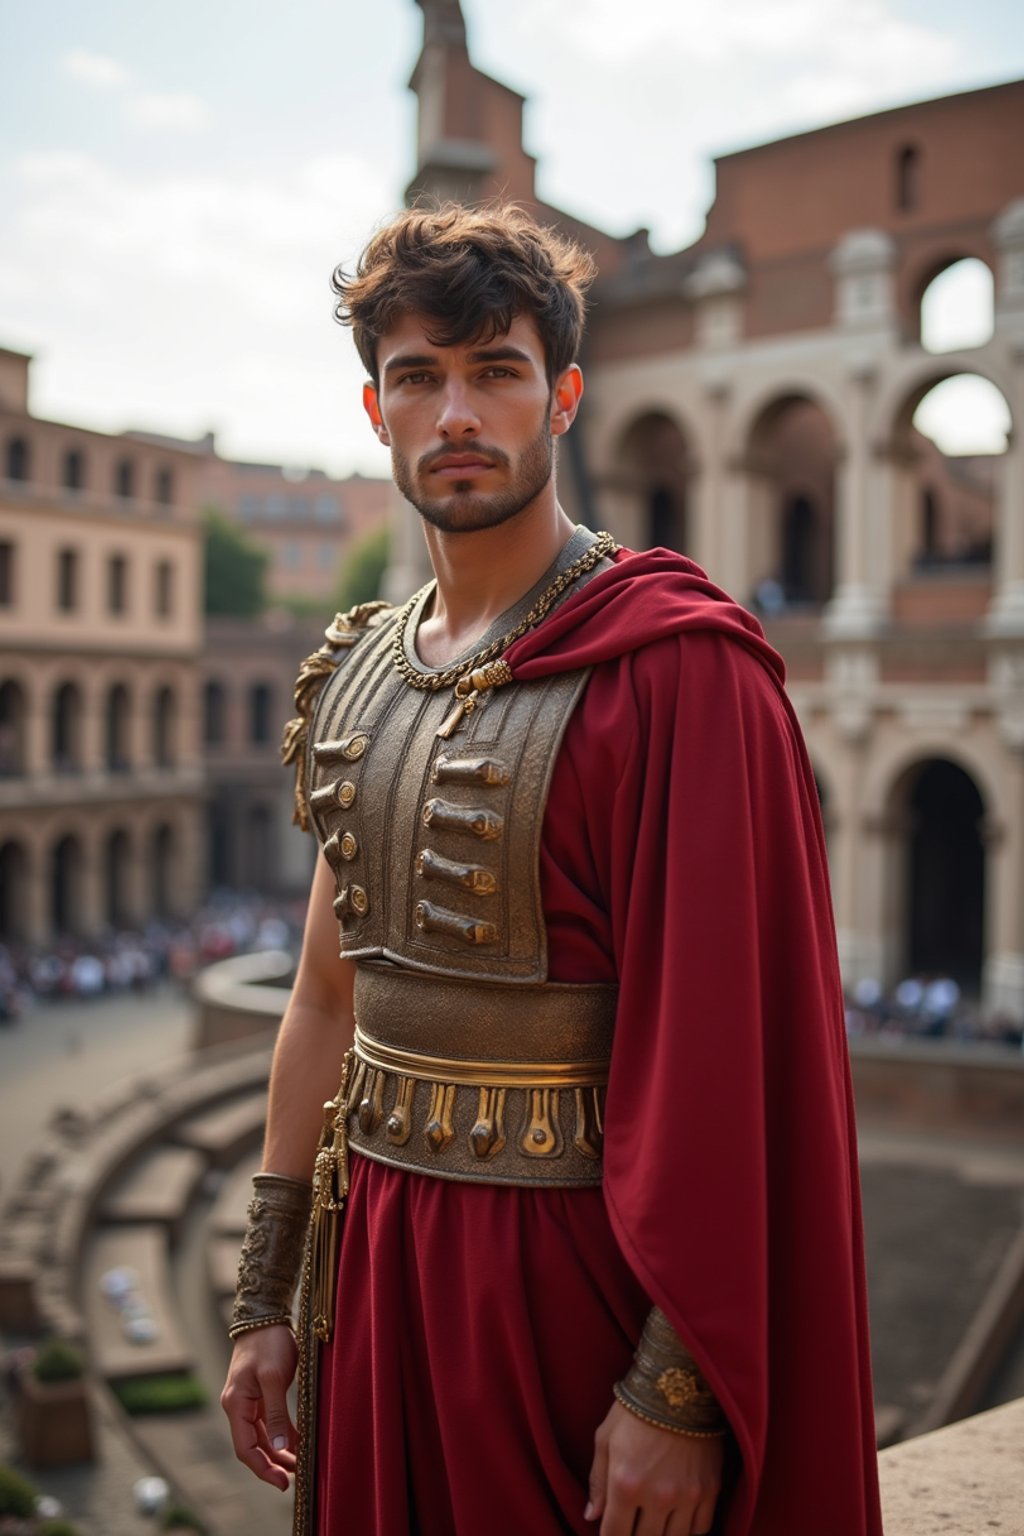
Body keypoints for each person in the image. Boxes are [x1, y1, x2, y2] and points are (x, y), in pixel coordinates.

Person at [221, 203, 883, 1536]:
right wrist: (265, 1296)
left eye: (495, 371)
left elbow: (730, 1065)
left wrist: (676, 1391)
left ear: (564, 395)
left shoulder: (682, 671)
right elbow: (324, 1001)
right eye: (418, 376)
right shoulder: (356, 668)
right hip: (375, 1268)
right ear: (375, 410)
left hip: (573, 1290)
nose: (455, 411)